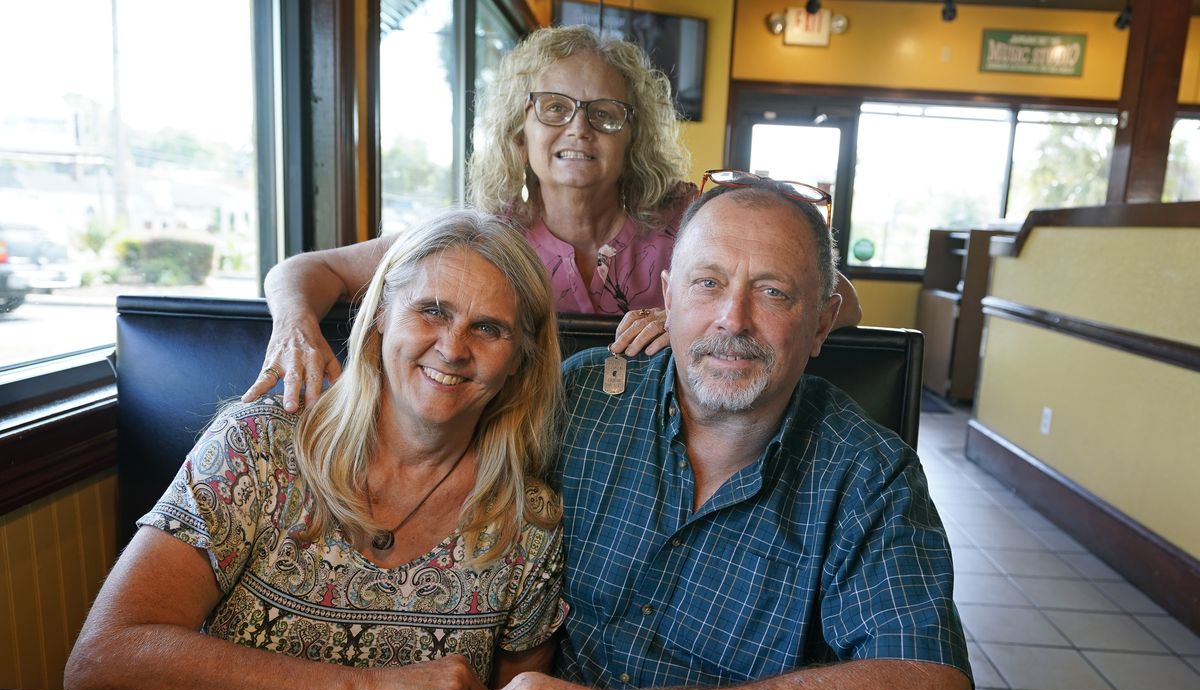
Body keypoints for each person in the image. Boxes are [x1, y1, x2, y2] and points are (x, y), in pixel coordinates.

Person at [471, 172, 973, 690]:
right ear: (668, 296)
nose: (732, 320)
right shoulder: (583, 397)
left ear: (822, 323)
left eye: (773, 292)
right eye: (707, 283)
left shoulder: (868, 474)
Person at [64, 209, 569, 690]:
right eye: (433, 311)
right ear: (381, 315)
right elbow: (105, 656)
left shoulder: (528, 522)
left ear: (520, 359)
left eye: (488, 328)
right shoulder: (257, 449)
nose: (453, 349)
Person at [249, 24, 862, 413]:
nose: (579, 128)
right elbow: (307, 270)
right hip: (517, 452)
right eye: (553, 107)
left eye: (604, 113)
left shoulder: (693, 218)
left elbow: (842, 301)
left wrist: (692, 318)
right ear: (519, 130)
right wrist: (295, 325)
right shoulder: (483, 235)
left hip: (663, 459)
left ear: (634, 135)